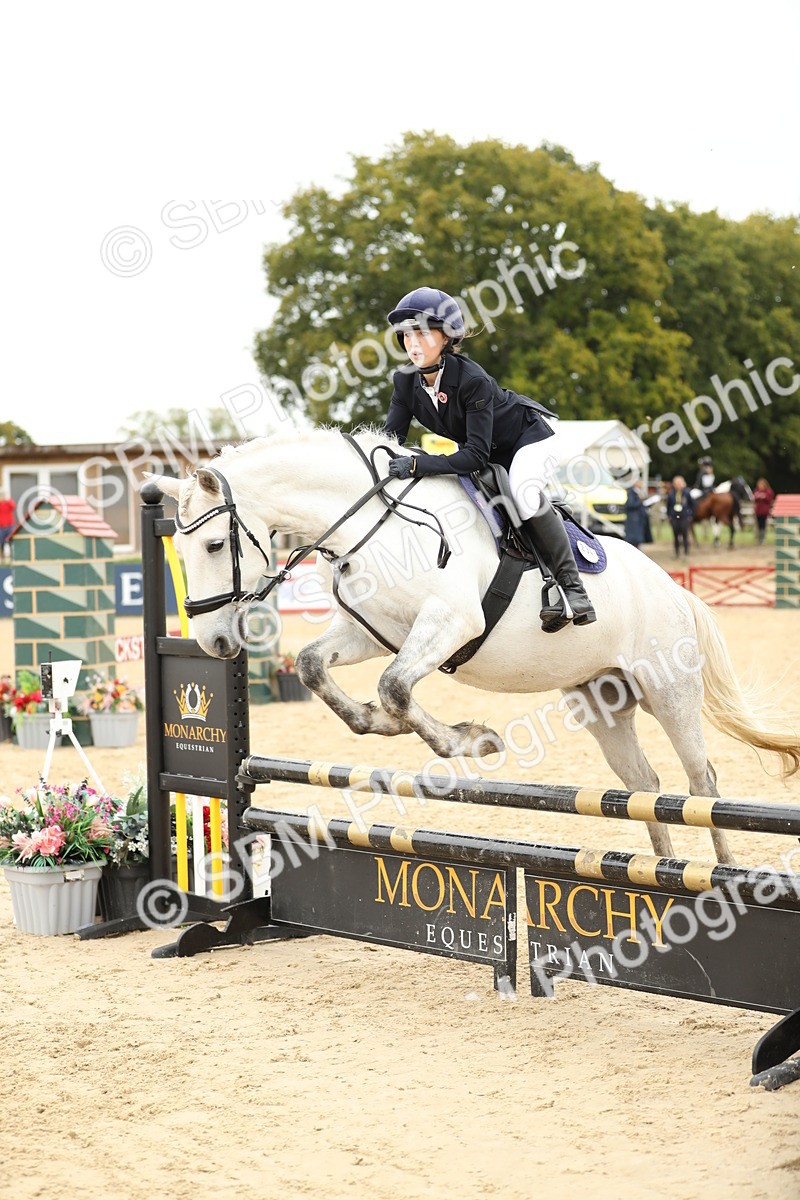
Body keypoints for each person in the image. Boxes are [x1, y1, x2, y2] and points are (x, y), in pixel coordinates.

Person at [381, 286, 596, 632]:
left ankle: (574, 589)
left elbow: (475, 456)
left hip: (528, 439)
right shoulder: (405, 382)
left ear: (447, 336)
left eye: (422, 332)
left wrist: (418, 464)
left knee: (524, 494)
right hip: (487, 452)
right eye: (406, 334)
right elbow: (390, 441)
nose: (412, 343)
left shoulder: (472, 380)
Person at [667, 475, 694, 558]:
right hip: (675, 517)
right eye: (676, 483)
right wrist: (669, 516)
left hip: (684, 516)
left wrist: (690, 514)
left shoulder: (686, 493)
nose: (678, 485)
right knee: (675, 536)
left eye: (679, 483)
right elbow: (668, 506)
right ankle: (677, 553)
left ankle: (686, 552)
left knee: (685, 535)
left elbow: (692, 504)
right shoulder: (671, 494)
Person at [624, 481, 653, 549]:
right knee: (634, 539)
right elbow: (630, 504)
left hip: (639, 519)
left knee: (638, 539)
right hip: (634, 520)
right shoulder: (632, 493)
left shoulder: (637, 492)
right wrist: (640, 501)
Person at [752, 478, 775, 545]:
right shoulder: (756, 491)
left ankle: (762, 538)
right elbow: (753, 499)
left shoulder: (768, 491)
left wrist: (764, 497)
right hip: (757, 511)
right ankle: (758, 538)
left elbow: (770, 499)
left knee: (763, 524)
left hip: (764, 511)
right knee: (758, 525)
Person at [0, 492, 15, 560]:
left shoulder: (8, 503)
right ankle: (2, 556)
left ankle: (12, 555)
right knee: (1, 542)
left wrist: (8, 500)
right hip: (1, 527)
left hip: (9, 526)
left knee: (11, 541)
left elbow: (13, 506)